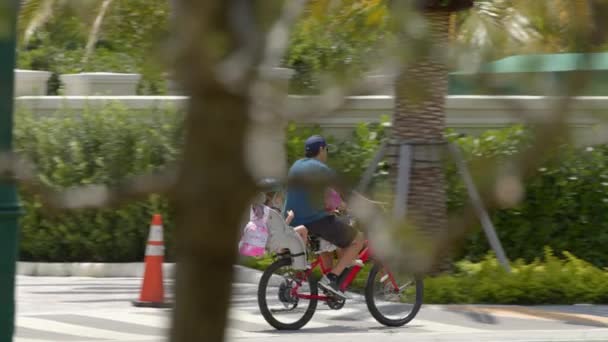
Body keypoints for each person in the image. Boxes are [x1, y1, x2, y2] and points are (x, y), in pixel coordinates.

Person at [284, 135, 364, 298]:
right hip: (313, 221)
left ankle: (330, 276)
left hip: (293, 221)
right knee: (358, 239)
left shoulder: (297, 165)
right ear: (321, 149)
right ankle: (332, 279)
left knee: (334, 232)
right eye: (326, 149)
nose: (326, 153)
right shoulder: (320, 168)